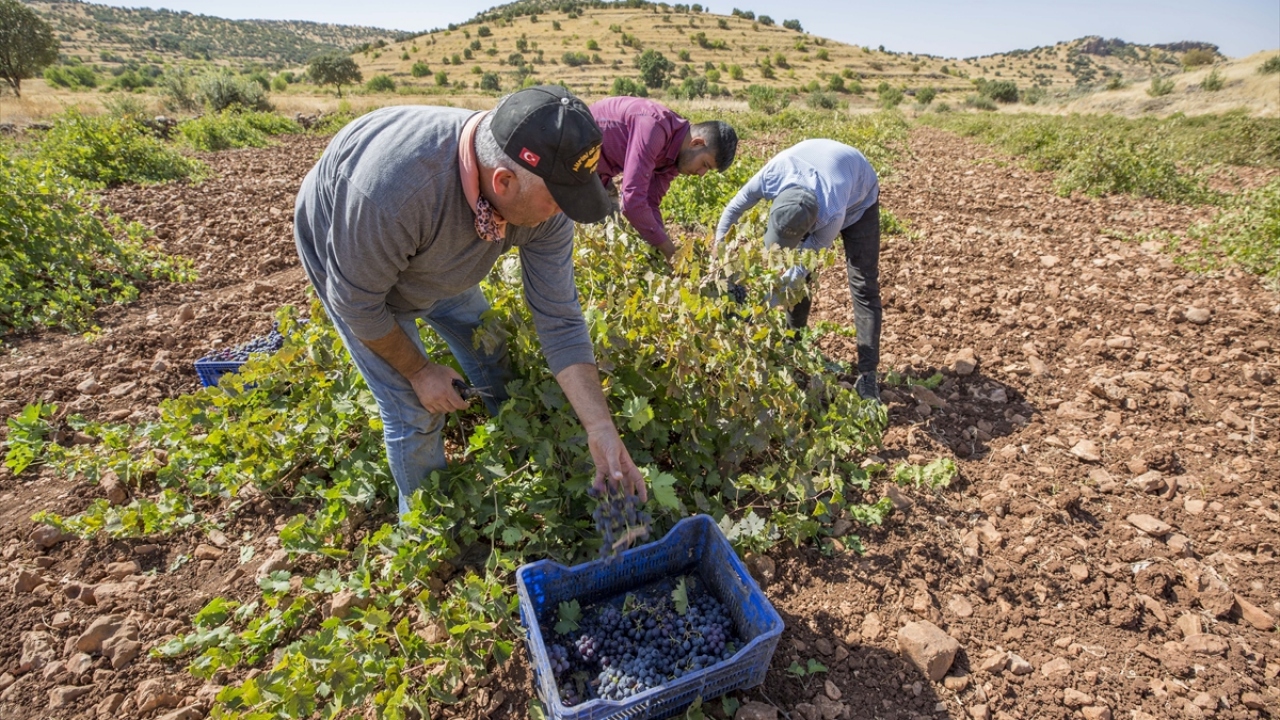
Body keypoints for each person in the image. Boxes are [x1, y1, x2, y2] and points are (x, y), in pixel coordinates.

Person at [293, 86, 647, 521]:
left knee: (489, 347)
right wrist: (420, 372)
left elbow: (559, 318)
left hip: (442, 249)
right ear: (504, 182)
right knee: (414, 410)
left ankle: (513, 440)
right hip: (356, 253)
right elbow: (357, 306)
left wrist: (601, 428)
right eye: (558, 201)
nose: (563, 214)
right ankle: (427, 528)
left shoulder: (537, 199)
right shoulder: (392, 194)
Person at [714, 139, 883, 403]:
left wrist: (762, 305)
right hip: (817, 172)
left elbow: (802, 268)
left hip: (859, 197)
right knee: (793, 279)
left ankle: (868, 376)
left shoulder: (831, 214)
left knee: (863, 285)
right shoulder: (772, 175)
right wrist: (718, 253)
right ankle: (795, 346)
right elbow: (734, 208)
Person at [590, 96, 738, 262]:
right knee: (594, 245)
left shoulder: (676, 157)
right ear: (696, 143)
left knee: (612, 240)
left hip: (598, 172)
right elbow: (632, 202)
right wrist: (669, 250)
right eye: (704, 164)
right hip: (570, 157)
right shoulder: (654, 129)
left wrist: (662, 244)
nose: (702, 173)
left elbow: (650, 201)